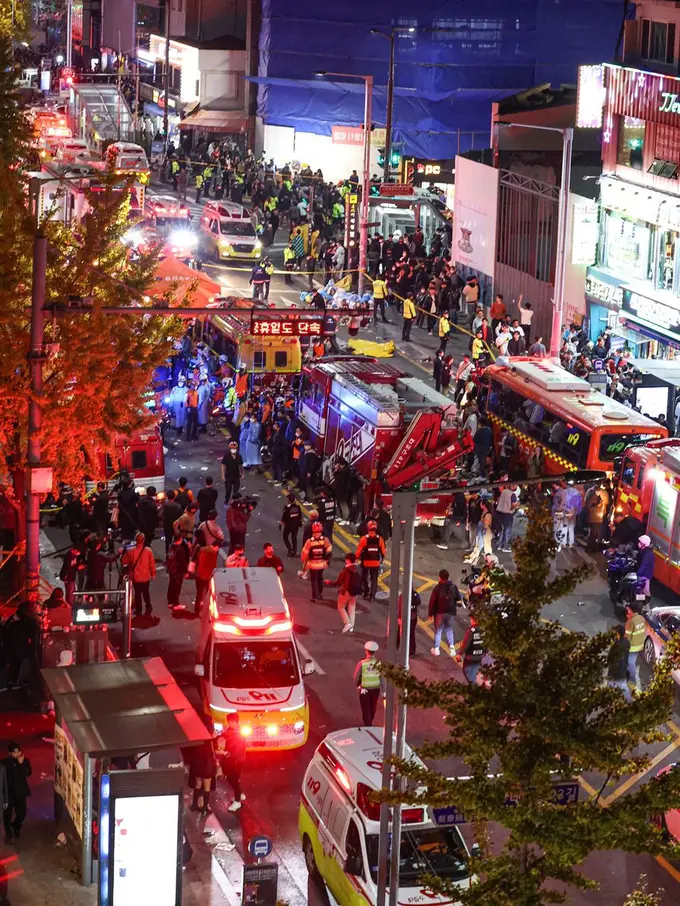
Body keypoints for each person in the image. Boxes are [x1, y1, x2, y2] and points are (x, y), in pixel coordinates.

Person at [215, 714, 246, 812]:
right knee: (231, 778)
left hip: (236, 760)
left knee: (234, 779)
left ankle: (237, 801)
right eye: (228, 721)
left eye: (230, 722)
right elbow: (224, 735)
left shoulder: (239, 733)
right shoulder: (231, 730)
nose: (229, 723)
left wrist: (226, 753)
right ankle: (239, 794)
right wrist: (217, 738)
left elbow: (238, 750)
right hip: (232, 759)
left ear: (235, 722)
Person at [325, 552, 362, 632]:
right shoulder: (359, 569)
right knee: (352, 607)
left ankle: (347, 623)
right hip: (356, 591)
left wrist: (329, 582)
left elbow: (338, 582)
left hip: (346, 591)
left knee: (341, 607)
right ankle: (351, 626)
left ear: (347, 560)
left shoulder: (346, 570)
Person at [122, 532, 157, 617]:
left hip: (136, 577)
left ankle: (139, 610)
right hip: (145, 576)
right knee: (146, 592)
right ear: (143, 540)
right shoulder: (148, 551)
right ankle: (148, 606)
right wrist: (153, 573)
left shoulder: (131, 551)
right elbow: (152, 564)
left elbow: (124, 561)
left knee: (137, 594)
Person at [428, 569, 462, 657]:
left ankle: (436, 649)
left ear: (440, 577)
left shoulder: (437, 588)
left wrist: (430, 613)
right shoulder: (454, 586)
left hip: (439, 612)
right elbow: (459, 599)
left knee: (438, 630)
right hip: (450, 612)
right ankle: (452, 648)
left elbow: (432, 601)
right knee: (449, 629)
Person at [2, 743, 31, 842]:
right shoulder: (4, 763)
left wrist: (21, 763)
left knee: (22, 812)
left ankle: (16, 826)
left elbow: (28, 773)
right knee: (7, 814)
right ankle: (8, 834)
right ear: (10, 753)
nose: (18, 753)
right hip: (8, 793)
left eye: (19, 751)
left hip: (19, 792)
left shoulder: (24, 761)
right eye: (15, 752)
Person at [301, 521, 332, 603]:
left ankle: (316, 597)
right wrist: (326, 559)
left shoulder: (309, 541)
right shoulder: (325, 540)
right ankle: (320, 594)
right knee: (320, 578)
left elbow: (305, 553)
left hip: (313, 564)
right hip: (322, 564)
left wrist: (303, 562)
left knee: (314, 580)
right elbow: (329, 549)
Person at [356, 521, 386, 602]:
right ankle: (372, 596)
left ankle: (366, 591)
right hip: (375, 562)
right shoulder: (380, 539)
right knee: (374, 579)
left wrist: (356, 558)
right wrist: (382, 558)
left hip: (365, 562)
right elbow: (383, 552)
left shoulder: (364, 539)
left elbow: (358, 551)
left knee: (364, 577)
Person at [354, 641, 381, 726]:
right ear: (375, 652)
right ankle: (370, 722)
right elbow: (382, 678)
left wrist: (358, 685)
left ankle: (368, 725)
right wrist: (384, 691)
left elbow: (357, 676)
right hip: (376, 689)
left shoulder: (362, 663)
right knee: (372, 708)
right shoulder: (378, 663)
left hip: (364, 690)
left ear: (366, 651)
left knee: (366, 708)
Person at [189, 738, 217, 815]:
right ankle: (205, 807)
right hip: (207, 764)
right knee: (207, 787)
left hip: (197, 763)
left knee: (198, 784)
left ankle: (194, 805)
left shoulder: (197, 739)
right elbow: (213, 752)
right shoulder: (209, 740)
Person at [193, 540, 220, 616]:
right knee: (208, 594)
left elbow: (198, 561)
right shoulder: (213, 553)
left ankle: (197, 610)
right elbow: (213, 567)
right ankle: (207, 610)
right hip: (207, 577)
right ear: (217, 546)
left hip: (198, 575)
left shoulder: (202, 549)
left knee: (199, 593)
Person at [456, 616, 485, 684]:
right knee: (473, 672)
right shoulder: (484, 629)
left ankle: (474, 689)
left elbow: (466, 643)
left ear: (472, 619)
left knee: (467, 672)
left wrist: (460, 654)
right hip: (479, 657)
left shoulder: (471, 630)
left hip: (470, 658)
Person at [166, 535, 191, 612]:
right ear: (180, 539)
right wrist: (186, 572)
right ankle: (176, 604)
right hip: (178, 571)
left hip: (171, 570)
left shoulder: (171, 546)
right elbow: (183, 562)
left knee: (171, 586)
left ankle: (170, 602)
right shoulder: (180, 549)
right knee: (177, 587)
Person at [624, 604, 646, 692]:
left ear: (631, 610)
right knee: (632, 662)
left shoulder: (630, 622)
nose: (627, 610)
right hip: (639, 645)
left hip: (632, 647)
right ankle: (630, 677)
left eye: (628, 609)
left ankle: (632, 680)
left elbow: (627, 637)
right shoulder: (641, 618)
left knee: (630, 663)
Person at [607, 624, 632, 702]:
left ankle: (610, 703)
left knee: (610, 688)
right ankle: (629, 702)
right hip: (623, 671)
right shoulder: (627, 642)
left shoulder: (615, 646)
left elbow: (610, 660)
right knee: (624, 687)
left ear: (618, 634)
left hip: (615, 673)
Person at [495, 481, 519, 552]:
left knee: (502, 530)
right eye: (515, 485)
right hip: (507, 514)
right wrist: (516, 506)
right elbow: (512, 507)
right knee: (507, 530)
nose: (516, 487)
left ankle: (499, 545)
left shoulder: (503, 492)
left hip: (500, 513)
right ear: (512, 486)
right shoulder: (512, 495)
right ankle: (505, 546)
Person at [397, 587, 420, 657]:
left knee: (399, 630)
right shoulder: (415, 594)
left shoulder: (402, 596)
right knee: (411, 634)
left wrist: (399, 617)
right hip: (413, 616)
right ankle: (412, 652)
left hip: (404, 616)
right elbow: (419, 602)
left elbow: (399, 607)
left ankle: (396, 644)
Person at [221, 440, 244, 505]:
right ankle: (226, 501)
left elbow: (240, 466)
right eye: (232, 448)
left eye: (234, 448)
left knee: (235, 490)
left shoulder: (239, 456)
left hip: (236, 476)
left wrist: (242, 474)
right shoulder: (226, 456)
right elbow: (223, 465)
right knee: (228, 490)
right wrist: (223, 475)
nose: (233, 450)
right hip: (228, 476)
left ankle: (233, 502)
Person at [162, 490, 183, 554]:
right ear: (174, 497)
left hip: (167, 526)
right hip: (176, 526)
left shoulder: (165, 505)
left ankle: (168, 555)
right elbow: (181, 517)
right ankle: (175, 555)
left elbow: (159, 515)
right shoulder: (178, 506)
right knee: (177, 540)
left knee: (168, 541)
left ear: (167, 497)